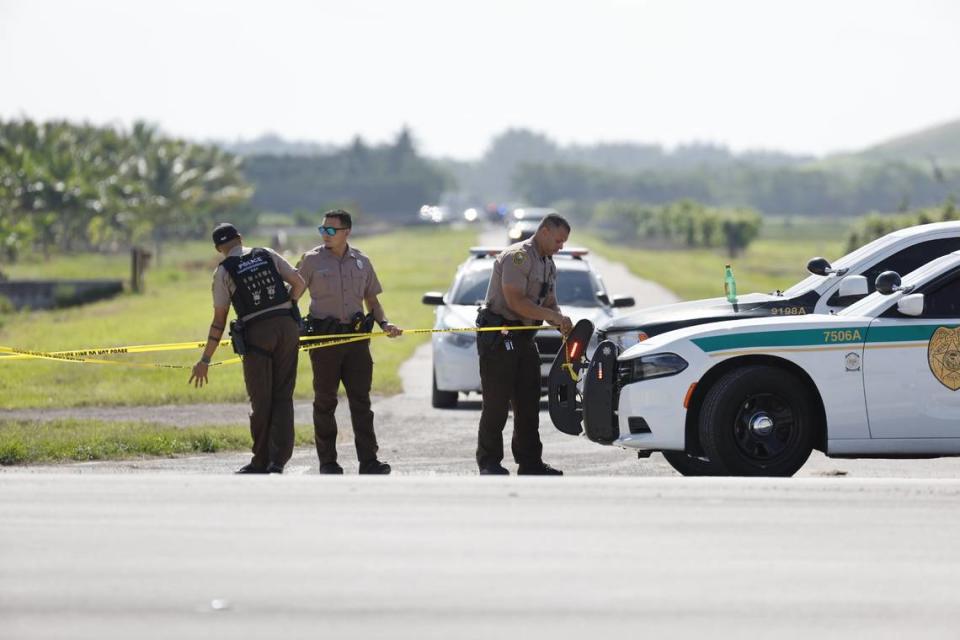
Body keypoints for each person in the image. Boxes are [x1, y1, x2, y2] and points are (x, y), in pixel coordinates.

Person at [189, 222, 306, 474]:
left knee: (261, 400)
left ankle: (260, 461)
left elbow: (219, 321)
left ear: (218, 248)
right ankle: (279, 461)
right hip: (287, 329)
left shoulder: (223, 271)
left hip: (257, 335)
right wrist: (290, 304)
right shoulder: (266, 253)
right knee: (283, 396)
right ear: (240, 238)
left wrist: (205, 360)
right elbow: (299, 282)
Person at [296, 210, 402, 475]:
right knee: (325, 402)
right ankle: (328, 462)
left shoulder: (362, 261)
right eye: (322, 229)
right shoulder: (310, 261)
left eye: (331, 230)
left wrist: (385, 324)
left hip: (356, 340)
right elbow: (292, 299)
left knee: (361, 402)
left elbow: (373, 302)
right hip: (325, 340)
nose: (325, 234)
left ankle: (369, 461)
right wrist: (293, 329)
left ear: (347, 232)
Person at [476, 213, 573, 476]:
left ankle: (530, 462)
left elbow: (549, 302)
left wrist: (562, 322)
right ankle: (489, 462)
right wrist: (552, 316)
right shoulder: (517, 257)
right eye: (558, 240)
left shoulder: (548, 264)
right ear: (543, 231)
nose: (561, 246)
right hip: (501, 337)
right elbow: (516, 301)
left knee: (529, 404)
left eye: (563, 242)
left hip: (525, 339)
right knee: (496, 404)